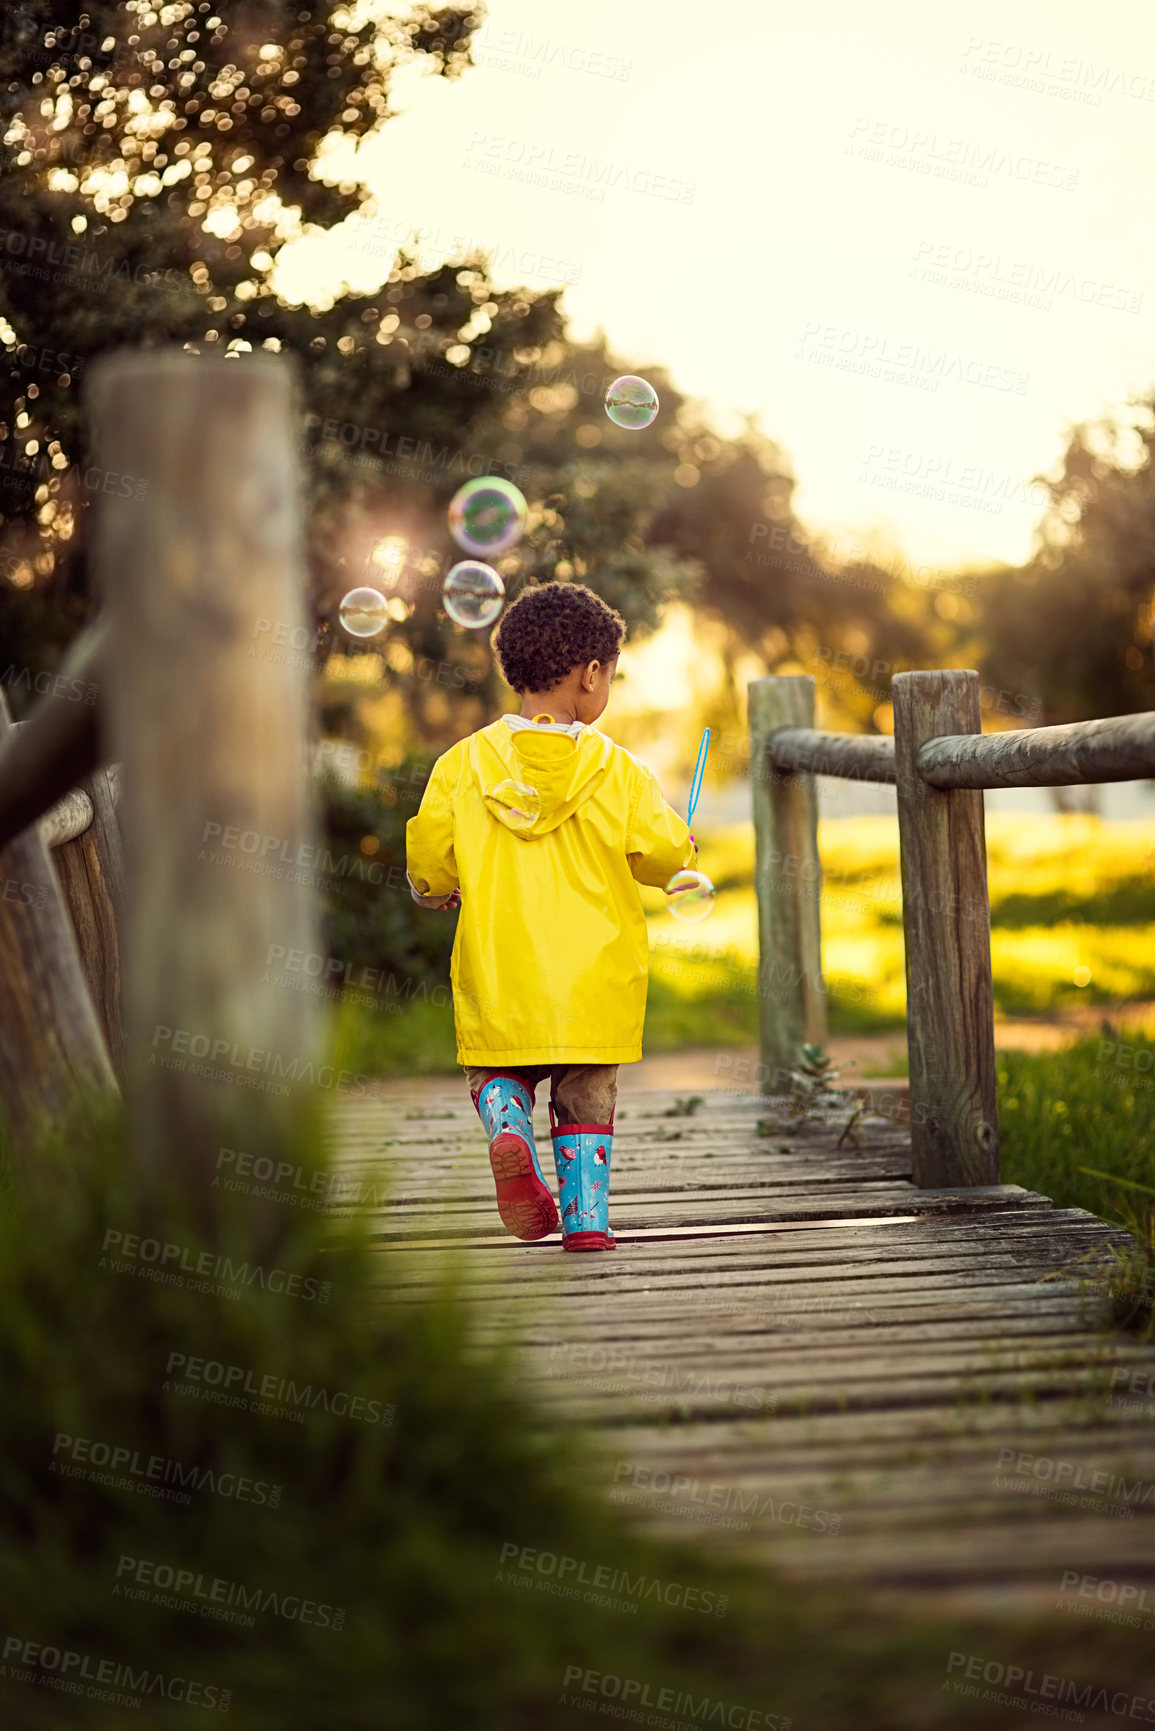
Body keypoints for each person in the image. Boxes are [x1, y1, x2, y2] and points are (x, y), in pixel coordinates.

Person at [405, 581, 696, 1251]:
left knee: (497, 1069)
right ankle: (587, 1221)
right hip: (594, 985)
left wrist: (436, 888)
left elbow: (429, 864)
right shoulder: (620, 771)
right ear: (592, 673)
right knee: (586, 1096)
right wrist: (684, 846)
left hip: (500, 970)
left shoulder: (462, 764)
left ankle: (508, 1126)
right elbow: (662, 857)